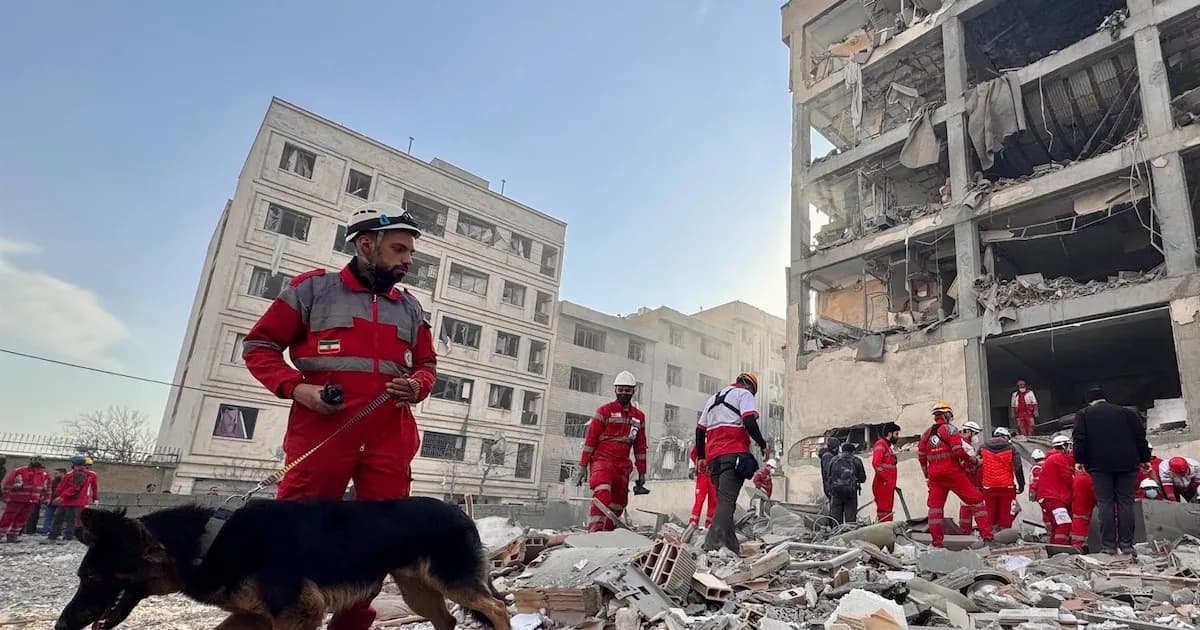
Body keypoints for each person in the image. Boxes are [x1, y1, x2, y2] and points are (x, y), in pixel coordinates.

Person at [242, 202, 437, 630]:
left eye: (410, 252)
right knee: (297, 531)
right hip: (321, 432)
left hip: (390, 435)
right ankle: (286, 618)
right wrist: (298, 388)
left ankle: (352, 623)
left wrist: (418, 385)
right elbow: (259, 347)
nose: (408, 260)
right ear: (367, 245)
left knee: (379, 539)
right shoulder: (311, 291)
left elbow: (427, 365)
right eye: (400, 250)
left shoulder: (410, 308)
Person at [695, 373, 769, 553]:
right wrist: (762, 444)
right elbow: (749, 420)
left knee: (723, 502)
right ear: (751, 387)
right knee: (727, 502)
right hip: (733, 454)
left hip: (714, 458)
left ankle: (731, 548)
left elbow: (700, 430)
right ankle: (712, 546)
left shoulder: (713, 399)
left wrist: (701, 456)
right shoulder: (745, 394)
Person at [1072, 386, 1151, 553]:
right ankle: (1127, 545)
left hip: (1099, 466)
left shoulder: (1084, 414)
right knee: (1125, 502)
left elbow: (1080, 439)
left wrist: (1080, 460)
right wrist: (1145, 458)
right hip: (1127, 464)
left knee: (1105, 503)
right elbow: (1140, 437)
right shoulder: (1128, 413)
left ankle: (1109, 546)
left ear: (1090, 401)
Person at [579, 371, 648, 532]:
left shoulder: (639, 417)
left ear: (633, 391)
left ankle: (608, 534)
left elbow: (640, 447)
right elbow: (590, 441)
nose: (624, 393)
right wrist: (583, 465)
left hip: (622, 466)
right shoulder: (604, 411)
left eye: (627, 390)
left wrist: (642, 472)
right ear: (615, 389)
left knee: (619, 502)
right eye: (621, 389)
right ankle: (594, 533)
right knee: (602, 495)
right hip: (602, 461)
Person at [918, 402, 994, 547]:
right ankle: (988, 538)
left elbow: (921, 456)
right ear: (946, 415)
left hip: (935, 476)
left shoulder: (926, 434)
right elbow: (958, 451)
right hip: (952, 473)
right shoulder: (950, 429)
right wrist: (974, 461)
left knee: (935, 509)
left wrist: (927, 474)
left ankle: (937, 543)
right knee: (976, 500)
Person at [979, 427, 1025, 529]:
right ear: (1005, 436)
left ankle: (990, 537)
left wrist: (979, 485)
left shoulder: (982, 447)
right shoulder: (1012, 448)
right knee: (1006, 514)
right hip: (1007, 487)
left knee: (989, 513)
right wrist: (1021, 485)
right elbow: (1018, 468)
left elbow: (978, 468)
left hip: (988, 486)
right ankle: (1004, 537)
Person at [44, 456, 97, 544]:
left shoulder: (81, 474)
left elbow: (75, 488)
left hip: (74, 502)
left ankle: (67, 538)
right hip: (65, 502)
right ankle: (52, 536)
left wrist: (62, 496)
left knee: (70, 520)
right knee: (58, 518)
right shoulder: (71, 473)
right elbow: (62, 485)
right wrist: (58, 494)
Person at [0, 456, 49, 542]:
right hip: (16, 499)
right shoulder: (20, 471)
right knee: (8, 518)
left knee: (22, 519)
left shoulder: (44, 474)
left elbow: (48, 487)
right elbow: (8, 483)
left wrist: (46, 498)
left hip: (32, 500)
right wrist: (6, 496)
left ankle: (13, 535)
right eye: (36, 460)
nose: (38, 462)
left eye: (41, 460)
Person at [1037, 434, 1075, 546]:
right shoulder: (1058, 458)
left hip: (1050, 498)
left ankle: (1054, 548)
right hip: (1054, 498)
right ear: (1064, 446)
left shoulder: (1051, 458)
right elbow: (1067, 477)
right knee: (1064, 524)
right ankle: (1060, 548)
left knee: (1056, 526)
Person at [827, 442, 867, 524]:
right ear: (853, 451)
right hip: (850, 494)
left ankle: (836, 535)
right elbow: (862, 479)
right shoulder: (856, 460)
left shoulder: (833, 459)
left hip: (836, 494)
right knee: (850, 523)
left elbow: (828, 476)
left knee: (837, 523)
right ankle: (848, 536)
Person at [957, 421, 983, 534]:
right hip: (967, 481)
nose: (976, 437)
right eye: (975, 433)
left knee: (965, 506)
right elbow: (967, 465)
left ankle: (965, 533)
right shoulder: (965, 447)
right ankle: (969, 533)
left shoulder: (964, 445)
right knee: (974, 507)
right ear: (968, 432)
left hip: (966, 481)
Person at [871, 423, 901, 522]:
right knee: (884, 511)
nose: (897, 437)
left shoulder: (887, 446)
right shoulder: (881, 444)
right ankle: (885, 531)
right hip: (882, 485)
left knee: (887, 510)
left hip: (887, 485)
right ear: (889, 434)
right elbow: (876, 463)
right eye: (896, 434)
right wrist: (886, 480)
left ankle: (886, 529)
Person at [688, 446, 716, 528]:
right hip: (702, 476)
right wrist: (692, 468)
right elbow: (693, 455)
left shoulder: (717, 442)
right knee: (699, 500)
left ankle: (710, 523)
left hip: (713, 476)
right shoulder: (701, 443)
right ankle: (693, 522)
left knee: (713, 500)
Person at [1069, 467, 1095, 550]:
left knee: (1078, 527)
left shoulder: (1078, 477)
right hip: (1085, 509)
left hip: (1077, 508)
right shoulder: (1089, 479)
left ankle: (1076, 546)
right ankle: (1080, 546)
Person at [41, 467, 66, 534]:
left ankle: (59, 531)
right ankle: (46, 530)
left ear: (62, 473)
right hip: (51, 502)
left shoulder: (66, 482)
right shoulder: (52, 482)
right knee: (48, 517)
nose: (54, 475)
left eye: (56, 473)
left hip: (62, 503)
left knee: (60, 518)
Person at [819, 436, 842, 501]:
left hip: (832, 487)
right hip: (832, 488)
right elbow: (830, 471)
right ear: (835, 447)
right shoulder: (828, 456)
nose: (838, 449)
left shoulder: (830, 455)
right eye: (837, 446)